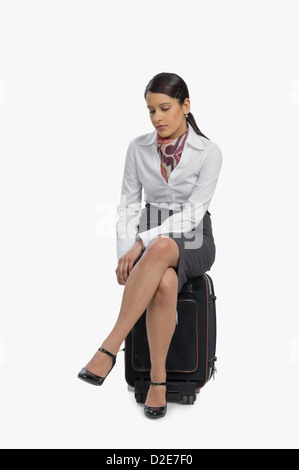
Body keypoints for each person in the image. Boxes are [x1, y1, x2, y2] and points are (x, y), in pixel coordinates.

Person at [78, 72, 223, 419]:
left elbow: (191, 215)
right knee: (166, 282)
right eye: (150, 111)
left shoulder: (210, 152)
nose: (157, 117)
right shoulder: (137, 147)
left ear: (185, 107)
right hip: (146, 231)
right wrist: (125, 255)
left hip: (193, 235)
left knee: (159, 249)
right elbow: (128, 206)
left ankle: (109, 348)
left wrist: (141, 243)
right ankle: (157, 380)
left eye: (165, 108)